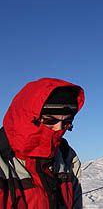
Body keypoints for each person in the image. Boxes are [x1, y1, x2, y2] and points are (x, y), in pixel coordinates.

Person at [0, 78, 85, 208]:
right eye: (50, 120)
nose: (59, 128)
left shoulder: (67, 157)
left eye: (66, 122)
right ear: (28, 118)